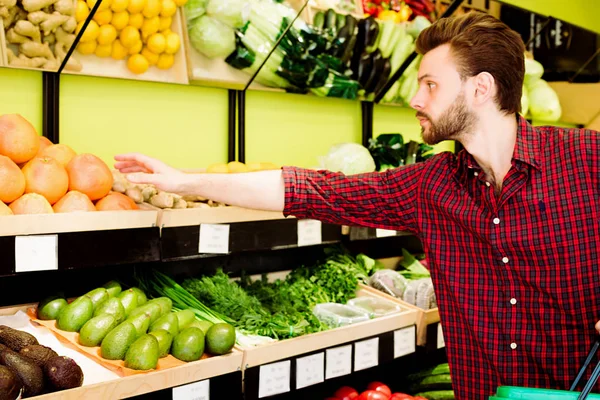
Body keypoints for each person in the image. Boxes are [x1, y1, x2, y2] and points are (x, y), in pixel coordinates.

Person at [114, 12, 600, 400]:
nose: (415, 98)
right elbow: (312, 190)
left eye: (431, 84)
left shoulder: (586, 162)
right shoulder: (431, 185)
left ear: (481, 88)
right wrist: (185, 180)